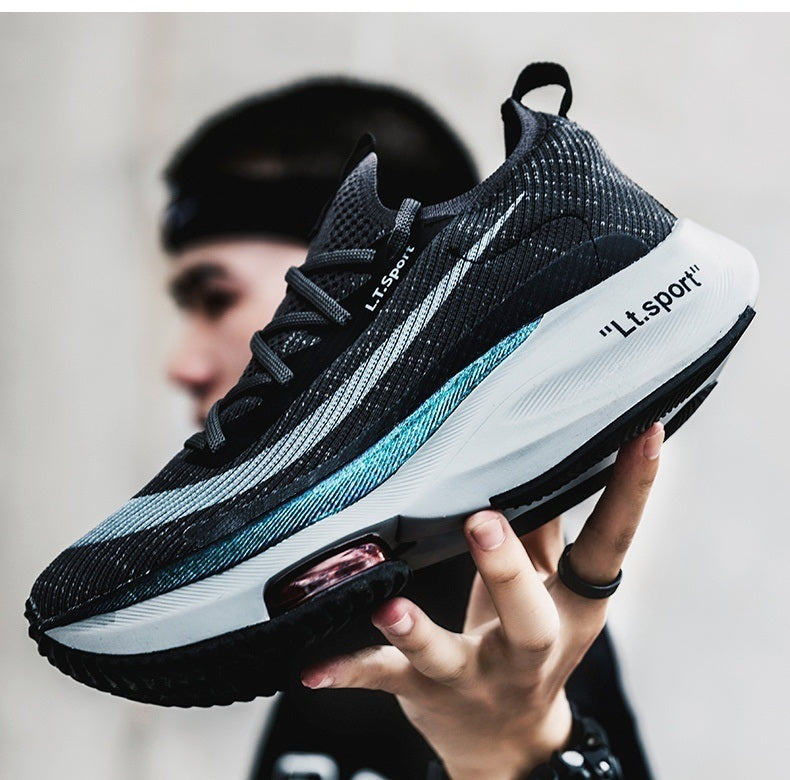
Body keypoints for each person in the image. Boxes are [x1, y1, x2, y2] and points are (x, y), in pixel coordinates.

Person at [162, 78, 657, 780]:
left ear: (378, 296)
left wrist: (516, 752)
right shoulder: (339, 591)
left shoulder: (492, 621)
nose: (181, 364)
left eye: (217, 297)